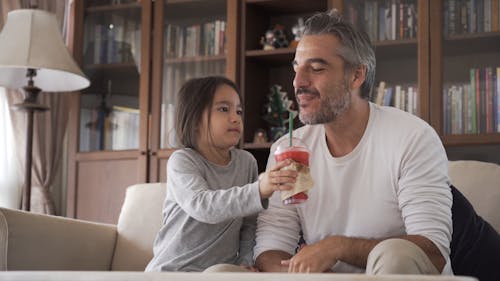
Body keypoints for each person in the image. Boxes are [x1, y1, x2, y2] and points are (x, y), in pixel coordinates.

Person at [253, 10, 453, 275]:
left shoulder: (412, 138)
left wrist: (337, 247)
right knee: (220, 274)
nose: (298, 82)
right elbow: (270, 248)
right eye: (296, 68)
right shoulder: (288, 148)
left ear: (356, 76)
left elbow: (432, 251)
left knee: (393, 255)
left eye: (316, 69)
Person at [145, 76, 297, 272]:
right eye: (224, 109)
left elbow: (249, 225)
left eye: (239, 111)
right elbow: (203, 206)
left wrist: (245, 262)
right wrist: (258, 190)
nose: (235, 118)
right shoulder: (182, 161)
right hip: (171, 271)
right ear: (195, 119)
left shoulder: (246, 162)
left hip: (218, 273)